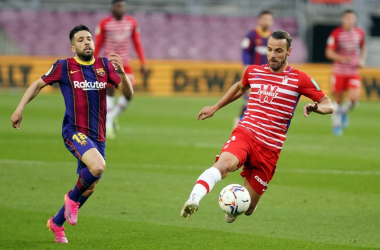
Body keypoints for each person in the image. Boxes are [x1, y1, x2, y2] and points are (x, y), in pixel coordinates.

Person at [180, 30, 334, 223]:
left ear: (289, 52)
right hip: (246, 132)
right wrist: (215, 107)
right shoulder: (254, 71)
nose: (273, 55)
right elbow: (239, 87)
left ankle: (235, 206)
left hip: (269, 148)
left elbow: (329, 104)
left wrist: (316, 107)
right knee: (225, 165)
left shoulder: (299, 79)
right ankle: (194, 198)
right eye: (269, 49)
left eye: (279, 51)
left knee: (249, 208)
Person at [10, 24, 133, 243]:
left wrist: (122, 73)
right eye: (80, 40)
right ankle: (71, 200)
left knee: (90, 185)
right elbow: (37, 85)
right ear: (72, 47)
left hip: (98, 135)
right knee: (98, 167)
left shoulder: (104, 65)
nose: (86, 42)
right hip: (74, 131)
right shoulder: (64, 66)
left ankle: (56, 223)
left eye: (88, 38)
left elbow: (128, 93)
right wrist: (20, 108)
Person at [94, 0, 147, 139]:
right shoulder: (105, 23)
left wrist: (143, 62)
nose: (120, 8)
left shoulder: (131, 23)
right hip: (109, 63)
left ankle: (111, 117)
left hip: (125, 64)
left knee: (129, 93)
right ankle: (109, 126)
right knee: (110, 92)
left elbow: (137, 43)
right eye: (117, 6)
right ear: (112, 7)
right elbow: (98, 44)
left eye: (122, 6)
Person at [325, 9, 366, 136]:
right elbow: (329, 52)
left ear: (355, 20)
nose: (349, 21)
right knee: (338, 99)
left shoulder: (359, 33)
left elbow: (363, 46)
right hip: (339, 71)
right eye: (347, 18)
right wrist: (342, 58)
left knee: (354, 98)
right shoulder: (336, 34)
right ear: (343, 20)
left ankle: (343, 112)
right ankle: (336, 126)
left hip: (353, 71)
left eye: (352, 18)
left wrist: (362, 60)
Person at [234, 10, 274, 127]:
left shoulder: (273, 37)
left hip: (268, 75)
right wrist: (246, 66)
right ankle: (239, 122)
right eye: (265, 19)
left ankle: (256, 127)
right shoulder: (252, 35)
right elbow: (245, 52)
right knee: (249, 101)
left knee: (265, 103)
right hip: (254, 75)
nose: (267, 21)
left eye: (269, 19)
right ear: (260, 20)